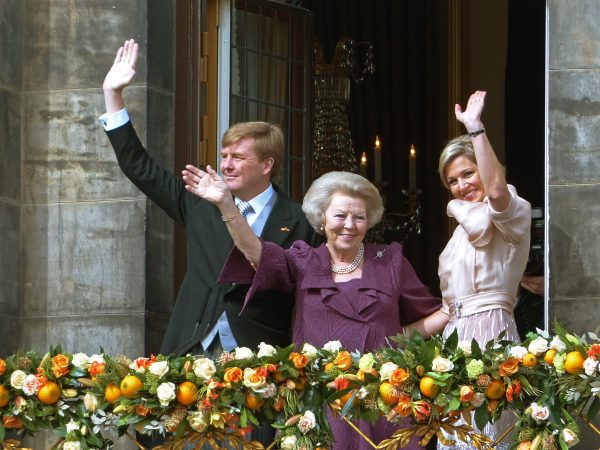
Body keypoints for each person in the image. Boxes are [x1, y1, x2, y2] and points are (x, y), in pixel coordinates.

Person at [181, 167, 448, 450]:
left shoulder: (389, 260)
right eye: (340, 215)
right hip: (320, 404)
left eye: (359, 217)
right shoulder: (305, 259)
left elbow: (424, 318)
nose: (349, 224)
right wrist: (226, 205)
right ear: (322, 218)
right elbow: (255, 252)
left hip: (381, 402)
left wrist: (452, 312)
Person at [100, 39, 320, 357]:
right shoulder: (200, 205)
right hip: (191, 346)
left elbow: (308, 291)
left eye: (238, 157)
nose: (226, 164)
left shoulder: (300, 220)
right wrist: (113, 95)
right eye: (224, 155)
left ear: (267, 164)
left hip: (261, 356)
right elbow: (140, 168)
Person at [436, 91, 531, 450]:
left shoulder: (511, 209)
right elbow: (448, 308)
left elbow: (495, 190)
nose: (462, 186)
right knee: (454, 441)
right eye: (453, 181)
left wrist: (476, 129)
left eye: (467, 172)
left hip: (490, 333)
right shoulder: (458, 236)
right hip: (452, 339)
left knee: (490, 435)